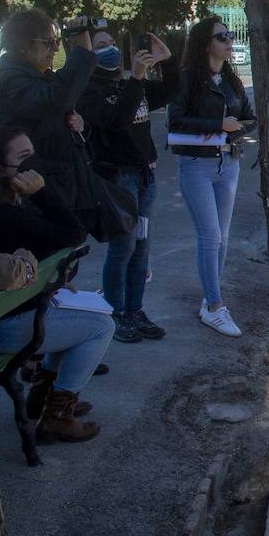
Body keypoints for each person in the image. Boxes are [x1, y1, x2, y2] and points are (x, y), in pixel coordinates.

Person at [0, 128, 113, 442]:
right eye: (24, 158)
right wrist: (41, 193)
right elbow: (73, 234)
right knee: (101, 326)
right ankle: (58, 415)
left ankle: (45, 399)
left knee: (72, 318)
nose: (35, 165)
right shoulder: (4, 218)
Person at [77, 28, 177, 343]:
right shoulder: (88, 89)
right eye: (101, 46)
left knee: (142, 246)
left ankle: (134, 309)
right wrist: (135, 78)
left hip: (144, 175)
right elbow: (116, 118)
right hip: (117, 180)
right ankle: (114, 312)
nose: (110, 50)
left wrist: (168, 60)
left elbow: (172, 89)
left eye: (111, 44)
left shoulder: (129, 82)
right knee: (124, 248)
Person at [168, 16, 256, 338]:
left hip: (228, 165)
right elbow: (175, 122)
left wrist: (235, 130)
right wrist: (219, 126)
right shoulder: (188, 79)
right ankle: (216, 306)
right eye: (222, 36)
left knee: (223, 237)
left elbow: (250, 119)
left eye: (230, 35)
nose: (229, 41)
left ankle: (210, 301)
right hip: (196, 165)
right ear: (206, 42)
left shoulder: (232, 81)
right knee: (211, 236)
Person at [0, 9, 99, 226]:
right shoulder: (13, 80)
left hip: (56, 188)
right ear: (23, 44)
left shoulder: (36, 77)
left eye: (56, 41)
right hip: (38, 193)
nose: (56, 48)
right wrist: (82, 50)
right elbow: (56, 99)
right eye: (48, 43)